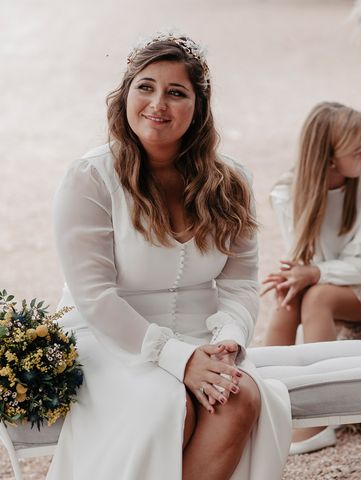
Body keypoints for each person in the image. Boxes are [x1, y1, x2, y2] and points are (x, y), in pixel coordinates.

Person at [48, 33, 291, 480]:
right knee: (168, 402)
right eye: (146, 86)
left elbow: (239, 284)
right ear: (125, 94)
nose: (158, 103)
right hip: (111, 338)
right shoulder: (90, 178)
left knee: (241, 398)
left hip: (204, 333)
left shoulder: (232, 181)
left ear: (198, 107)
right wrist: (178, 358)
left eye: (176, 92)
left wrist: (228, 341)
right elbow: (95, 297)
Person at [262, 101, 361, 455]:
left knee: (317, 296)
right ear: (330, 158)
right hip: (332, 279)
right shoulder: (289, 192)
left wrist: (316, 273)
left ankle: (321, 418)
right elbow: (304, 256)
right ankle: (262, 407)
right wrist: (297, 277)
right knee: (288, 301)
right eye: (359, 149)